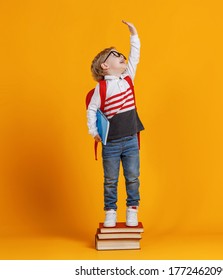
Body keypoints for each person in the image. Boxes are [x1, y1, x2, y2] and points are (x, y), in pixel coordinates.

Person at [87, 20, 144, 227]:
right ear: (105, 66)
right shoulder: (100, 89)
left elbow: (135, 57)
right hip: (110, 143)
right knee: (110, 180)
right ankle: (110, 211)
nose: (122, 57)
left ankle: (132, 209)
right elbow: (91, 109)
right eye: (116, 55)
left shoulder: (128, 78)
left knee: (132, 177)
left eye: (122, 55)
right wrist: (93, 131)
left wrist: (134, 35)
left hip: (130, 140)